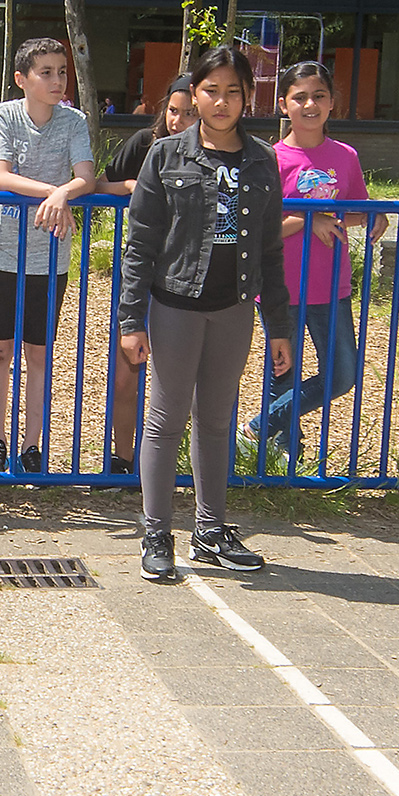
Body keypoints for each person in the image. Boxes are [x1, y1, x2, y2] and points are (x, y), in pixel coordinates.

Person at [116, 42, 290, 584]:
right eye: (210, 91)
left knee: (216, 422)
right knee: (165, 421)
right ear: (195, 95)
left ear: (247, 98)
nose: (221, 102)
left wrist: (280, 326)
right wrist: (130, 320)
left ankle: (211, 532)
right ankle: (156, 532)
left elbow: (269, 251)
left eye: (232, 92)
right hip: (174, 306)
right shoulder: (166, 156)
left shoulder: (262, 160)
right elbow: (139, 242)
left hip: (234, 308)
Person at [0, 37, 96, 475]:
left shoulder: (74, 120)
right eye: (45, 72)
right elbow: (0, 173)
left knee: (38, 353)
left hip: (50, 258)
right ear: (21, 79)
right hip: (0, 252)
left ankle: (32, 445)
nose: (57, 80)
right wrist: (55, 194)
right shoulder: (4, 114)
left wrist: (65, 192)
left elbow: (85, 176)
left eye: (61, 71)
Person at [251, 61, 377, 462]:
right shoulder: (269, 159)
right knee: (281, 376)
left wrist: (376, 217)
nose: (310, 104)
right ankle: (285, 456)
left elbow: (357, 209)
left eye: (318, 96)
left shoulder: (345, 156)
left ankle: (258, 428)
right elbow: (260, 227)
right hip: (279, 287)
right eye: (299, 97)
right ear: (284, 105)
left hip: (331, 287)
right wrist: (310, 216)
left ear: (332, 103)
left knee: (342, 374)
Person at [93, 74, 195, 474]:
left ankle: (163, 462)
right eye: (173, 110)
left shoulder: (212, 152)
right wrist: (132, 185)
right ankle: (123, 458)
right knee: (124, 374)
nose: (178, 120)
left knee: (177, 381)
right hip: (139, 270)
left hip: (187, 277)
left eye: (189, 113)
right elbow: (102, 183)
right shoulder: (144, 144)